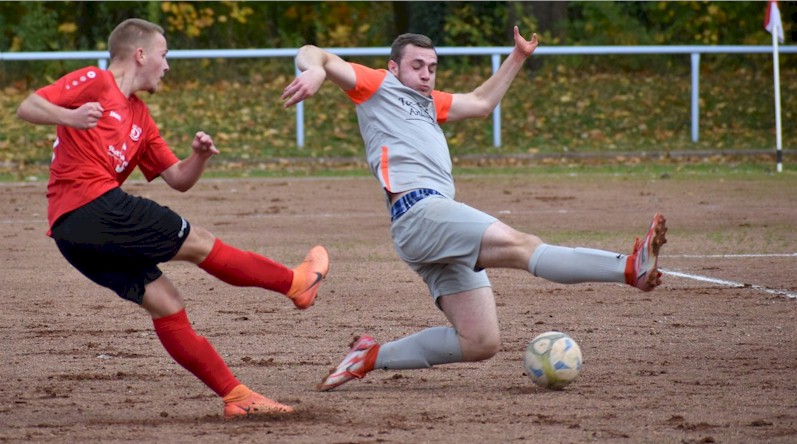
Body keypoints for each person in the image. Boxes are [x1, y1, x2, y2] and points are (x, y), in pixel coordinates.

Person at [281, 27, 667, 391]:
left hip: (429, 225)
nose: (426, 75)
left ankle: (371, 356)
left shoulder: (430, 103)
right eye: (417, 66)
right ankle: (629, 268)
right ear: (394, 67)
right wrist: (316, 70)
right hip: (420, 212)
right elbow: (314, 53)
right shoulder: (378, 86)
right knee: (521, 245)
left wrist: (517, 56)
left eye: (432, 67)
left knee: (479, 341)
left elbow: (482, 103)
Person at [16, 18, 329, 418]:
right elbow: (29, 105)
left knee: (166, 303)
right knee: (198, 241)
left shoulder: (140, 118)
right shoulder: (97, 80)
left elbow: (179, 180)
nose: (167, 66)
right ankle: (296, 284)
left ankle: (236, 398)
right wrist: (71, 117)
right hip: (90, 206)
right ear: (140, 54)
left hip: (72, 235)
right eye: (164, 55)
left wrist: (198, 156)